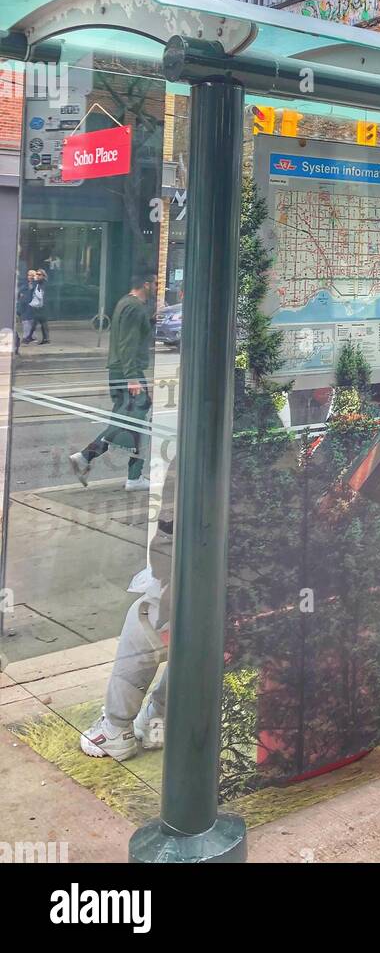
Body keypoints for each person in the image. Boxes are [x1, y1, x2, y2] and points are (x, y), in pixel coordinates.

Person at [80, 471, 173, 759]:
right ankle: (160, 715)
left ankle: (115, 728)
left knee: (145, 619)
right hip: (257, 585)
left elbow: (173, 531)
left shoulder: (200, 450)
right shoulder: (266, 435)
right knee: (196, 632)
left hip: (207, 578)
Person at [69, 271, 155, 491]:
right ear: (146, 284)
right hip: (128, 372)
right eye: (154, 283)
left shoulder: (125, 304)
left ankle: (86, 457)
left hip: (120, 371)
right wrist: (133, 377)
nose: (156, 287)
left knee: (124, 419)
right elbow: (128, 343)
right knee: (138, 420)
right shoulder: (134, 307)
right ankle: (134, 478)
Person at [22, 268, 49, 344]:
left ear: (43, 276)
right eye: (36, 274)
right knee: (41, 324)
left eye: (39, 274)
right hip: (37, 307)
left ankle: (30, 337)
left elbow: (41, 295)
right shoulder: (36, 283)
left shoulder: (43, 283)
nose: (37, 276)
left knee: (38, 323)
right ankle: (45, 339)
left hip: (41, 307)